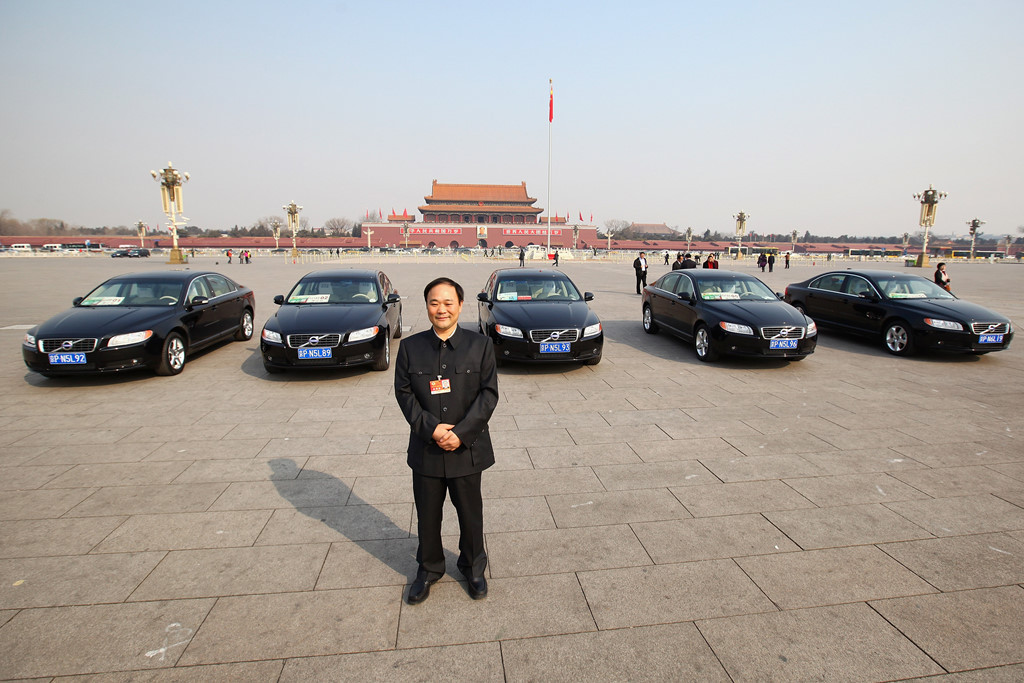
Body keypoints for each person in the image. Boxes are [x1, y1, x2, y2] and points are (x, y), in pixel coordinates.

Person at [394, 277, 499, 605]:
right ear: (427, 306)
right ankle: (428, 568)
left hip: (468, 449)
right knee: (427, 514)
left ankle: (473, 567)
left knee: (470, 513)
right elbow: (404, 392)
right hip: (427, 448)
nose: (441, 309)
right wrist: (433, 429)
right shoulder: (410, 348)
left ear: (460, 305)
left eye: (448, 303)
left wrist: (461, 433)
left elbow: (488, 394)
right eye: (434, 303)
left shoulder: (480, 346)